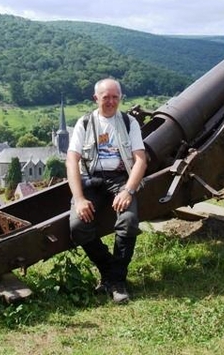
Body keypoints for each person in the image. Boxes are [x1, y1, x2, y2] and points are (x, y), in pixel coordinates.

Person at [67, 78, 147, 304]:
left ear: (120, 98)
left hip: (120, 179)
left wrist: (128, 191)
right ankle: (110, 272)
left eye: (115, 97)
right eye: (106, 97)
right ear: (96, 99)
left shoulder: (129, 122)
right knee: (77, 226)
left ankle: (117, 281)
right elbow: (72, 162)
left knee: (129, 221)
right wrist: (79, 198)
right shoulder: (84, 123)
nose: (111, 102)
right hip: (92, 180)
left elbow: (140, 160)